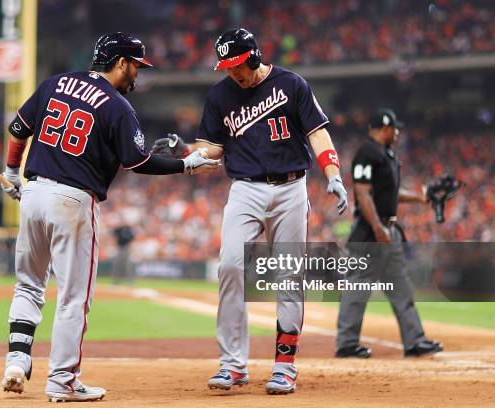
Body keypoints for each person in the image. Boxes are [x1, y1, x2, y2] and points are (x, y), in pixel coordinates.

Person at [0, 32, 219, 402]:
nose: (137, 74)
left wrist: (9, 173)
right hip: (72, 200)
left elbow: (19, 129)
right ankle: (62, 381)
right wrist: (186, 164)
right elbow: (139, 162)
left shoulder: (56, 82)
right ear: (120, 63)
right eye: (135, 65)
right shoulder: (117, 106)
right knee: (73, 298)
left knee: (28, 285)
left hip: (33, 192)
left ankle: (17, 360)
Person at [151, 28, 348, 395]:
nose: (232, 72)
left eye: (238, 65)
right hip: (245, 188)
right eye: (226, 67)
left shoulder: (292, 85)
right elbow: (211, 148)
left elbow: (318, 132)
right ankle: (232, 365)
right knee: (229, 266)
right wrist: (183, 149)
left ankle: (284, 365)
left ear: (254, 57)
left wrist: (333, 173)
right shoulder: (220, 94)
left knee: (288, 275)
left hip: (291, 187)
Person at [335, 108, 443, 358]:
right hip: (370, 231)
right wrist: (377, 227)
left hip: (388, 230)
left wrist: (420, 197)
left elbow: (391, 193)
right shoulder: (367, 152)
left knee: (401, 286)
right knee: (358, 286)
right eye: (395, 128)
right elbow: (363, 193)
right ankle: (347, 344)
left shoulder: (387, 154)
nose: (397, 133)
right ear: (384, 128)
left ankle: (415, 341)